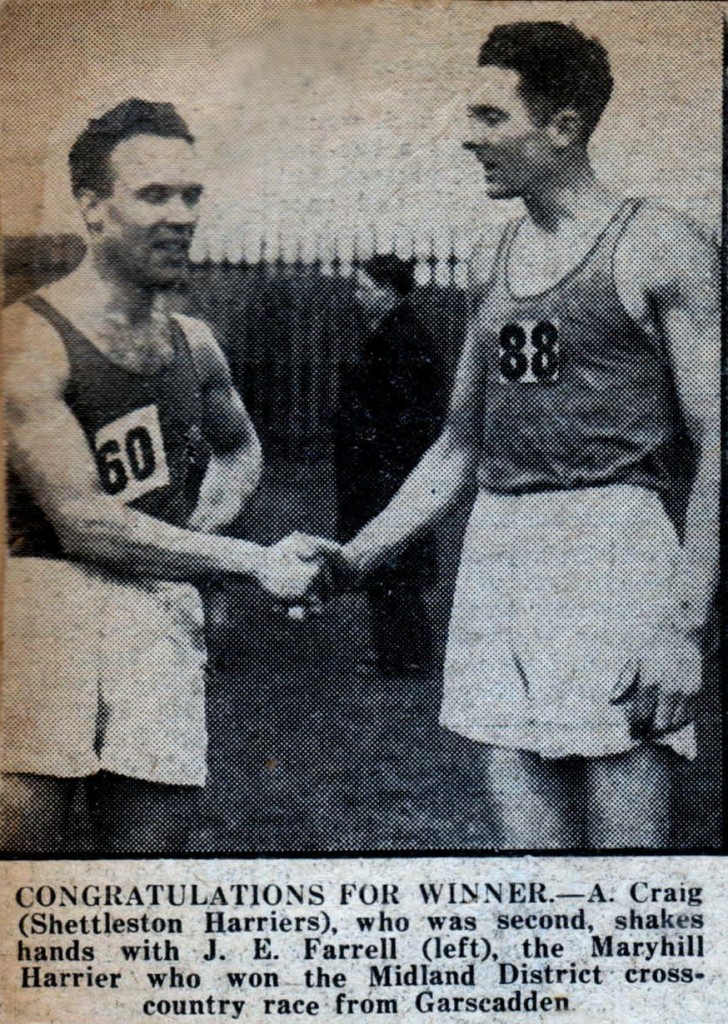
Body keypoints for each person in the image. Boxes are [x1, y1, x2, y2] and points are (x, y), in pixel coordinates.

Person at [331, 22, 719, 848]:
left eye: (489, 117)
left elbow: (721, 440)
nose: (468, 137)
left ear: (564, 126)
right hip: (502, 547)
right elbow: (459, 447)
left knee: (627, 870)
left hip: (612, 542)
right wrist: (355, 557)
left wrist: (684, 628)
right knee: (529, 869)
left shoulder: (659, 245)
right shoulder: (489, 257)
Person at [1, 98, 331, 853]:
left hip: (158, 614)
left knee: (151, 869)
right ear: (93, 207)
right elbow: (83, 522)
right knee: (27, 875)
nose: (180, 214)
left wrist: (193, 537)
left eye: (191, 195)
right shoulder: (30, 340)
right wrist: (252, 560)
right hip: (41, 612)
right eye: (154, 194)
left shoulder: (195, 343)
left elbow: (239, 448)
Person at [335, 254, 446, 675]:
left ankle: (407, 657)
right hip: (380, 469)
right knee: (387, 563)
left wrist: (379, 454)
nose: (358, 297)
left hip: (387, 472)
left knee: (394, 561)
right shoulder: (393, 335)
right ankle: (396, 653)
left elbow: (412, 415)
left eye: (365, 288)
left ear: (388, 292)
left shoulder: (400, 340)